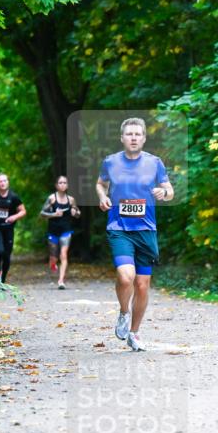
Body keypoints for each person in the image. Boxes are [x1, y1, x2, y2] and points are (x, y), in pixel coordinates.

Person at [96, 118, 174, 351]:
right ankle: (123, 312)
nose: (133, 137)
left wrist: (164, 192)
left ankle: (134, 332)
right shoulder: (110, 162)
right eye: (129, 134)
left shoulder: (155, 163)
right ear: (122, 138)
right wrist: (102, 197)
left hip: (146, 230)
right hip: (119, 229)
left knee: (142, 284)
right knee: (126, 277)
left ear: (144, 138)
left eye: (137, 134)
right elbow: (100, 184)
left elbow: (170, 190)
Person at [39, 175, 81, 289]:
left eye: (65, 183)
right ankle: (52, 263)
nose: (62, 185)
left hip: (66, 231)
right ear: (56, 185)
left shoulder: (71, 199)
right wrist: (54, 214)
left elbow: (78, 212)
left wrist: (75, 213)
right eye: (60, 183)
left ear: (67, 185)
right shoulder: (52, 198)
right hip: (53, 231)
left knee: (63, 255)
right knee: (54, 257)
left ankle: (61, 281)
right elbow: (42, 213)